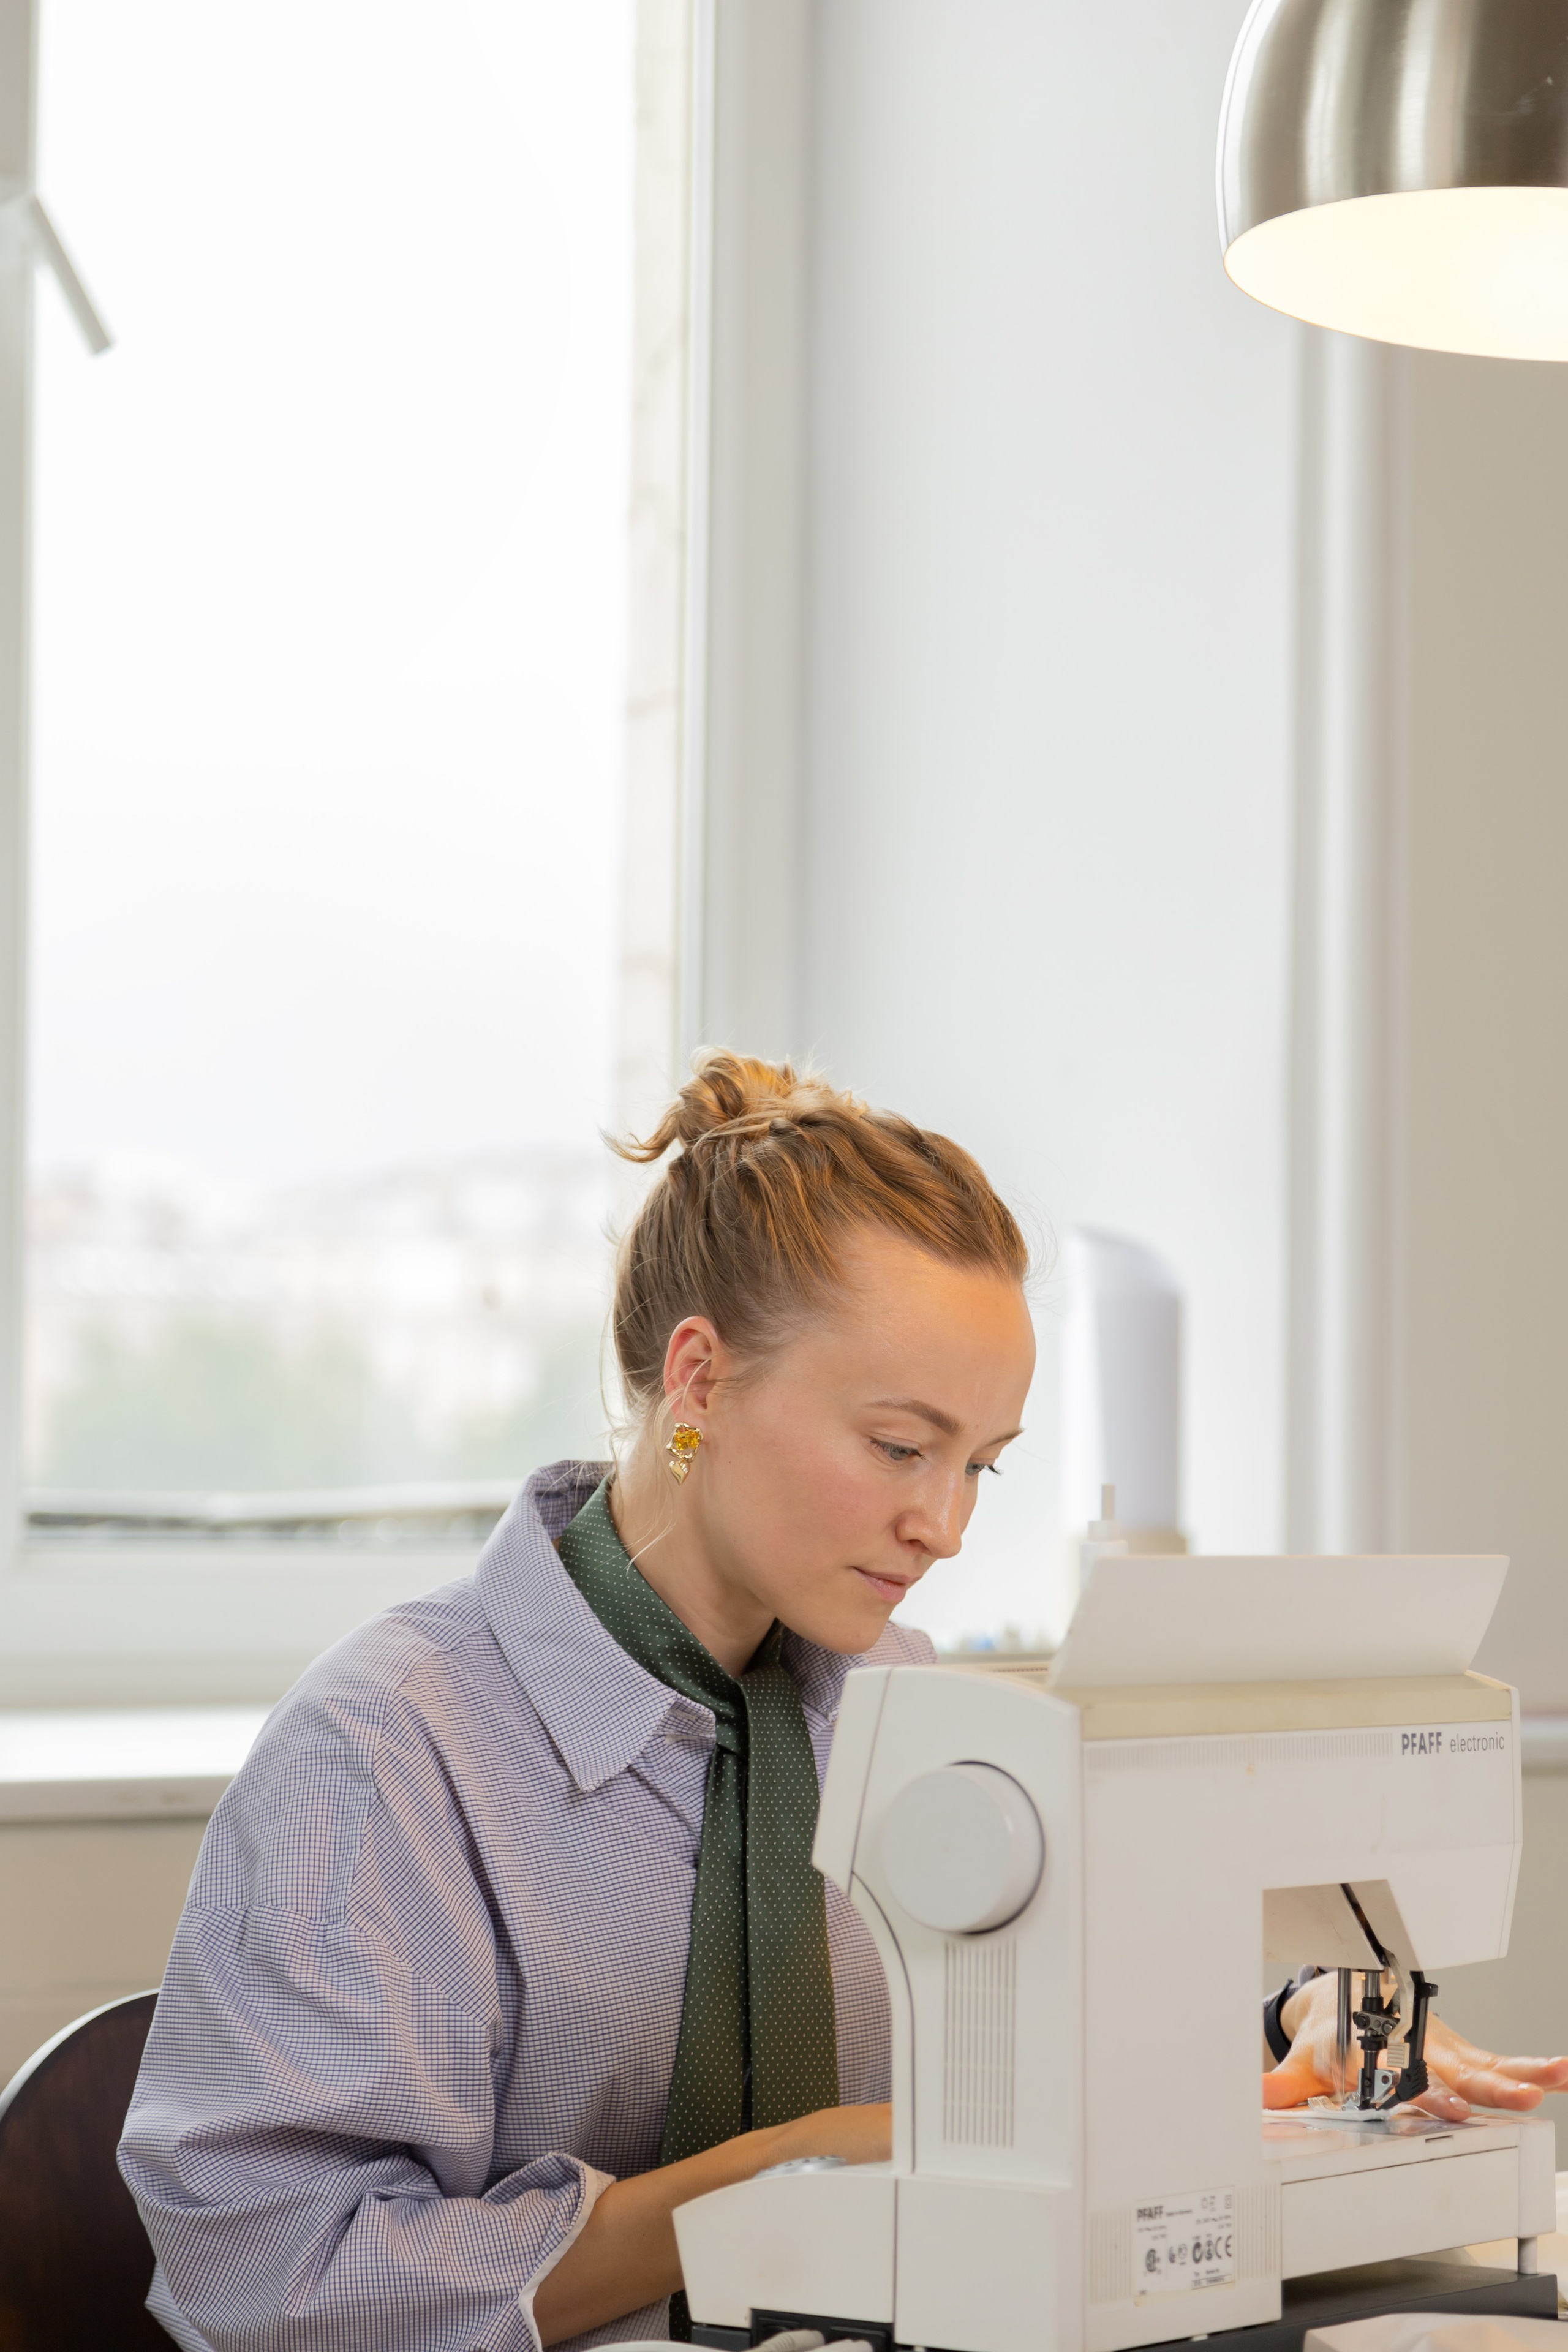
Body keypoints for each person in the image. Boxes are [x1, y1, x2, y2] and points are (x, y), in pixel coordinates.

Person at [118, 1054, 1568, 2352]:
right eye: (896, 1447)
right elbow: (282, 2277)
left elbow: (1036, 2056)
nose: (945, 1525)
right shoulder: (390, 1749)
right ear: (698, 1381)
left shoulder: (907, 1705)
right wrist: (778, 2176)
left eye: (979, 1464)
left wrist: (1281, 2040)